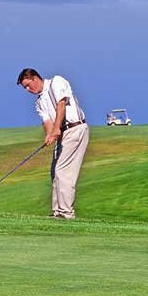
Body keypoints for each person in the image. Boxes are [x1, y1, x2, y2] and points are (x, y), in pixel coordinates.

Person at [17, 68, 89, 219]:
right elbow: (47, 121)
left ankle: (66, 213)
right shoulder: (39, 102)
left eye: (28, 85)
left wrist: (56, 129)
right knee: (55, 172)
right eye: (25, 88)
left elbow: (61, 104)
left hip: (75, 128)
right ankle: (57, 212)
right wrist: (49, 135)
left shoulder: (56, 82)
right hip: (62, 133)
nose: (28, 90)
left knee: (62, 171)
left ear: (35, 78)